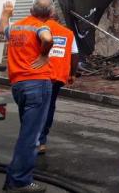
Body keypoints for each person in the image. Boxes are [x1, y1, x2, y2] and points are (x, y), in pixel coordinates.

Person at [0, 0, 54, 193]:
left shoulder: (18, 26)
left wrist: (6, 13)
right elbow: (47, 39)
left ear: (31, 10)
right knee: (31, 137)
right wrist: (44, 55)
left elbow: (3, 28)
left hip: (18, 85)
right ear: (50, 14)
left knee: (27, 133)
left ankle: (14, 178)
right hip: (37, 83)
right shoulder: (40, 27)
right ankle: (19, 182)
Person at [37, 12, 79, 154]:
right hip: (57, 76)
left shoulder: (39, 28)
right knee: (49, 106)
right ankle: (42, 140)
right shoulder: (68, 33)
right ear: (58, 20)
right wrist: (72, 74)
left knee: (35, 105)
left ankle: (33, 137)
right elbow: (74, 55)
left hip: (38, 74)